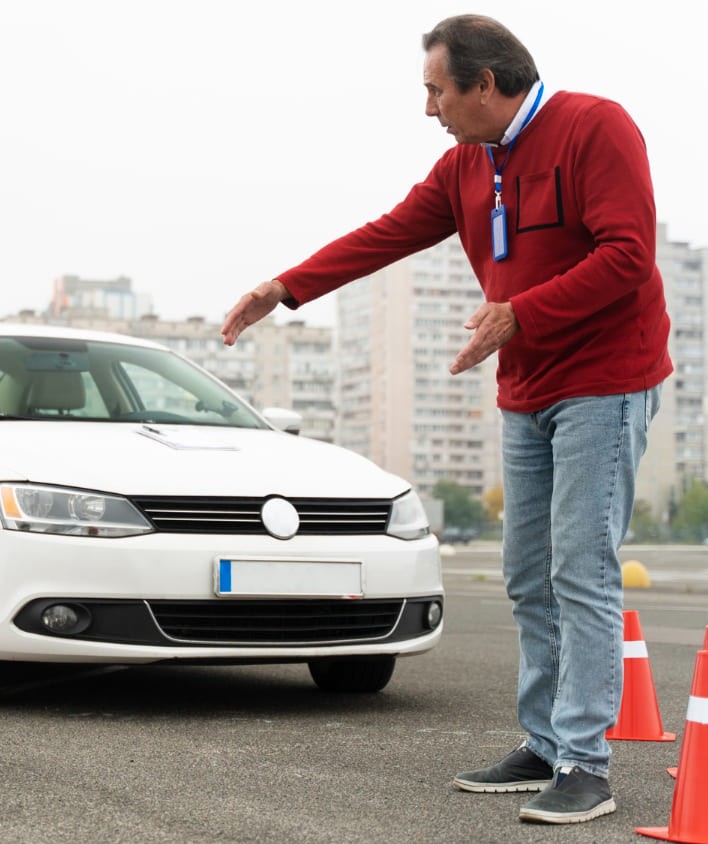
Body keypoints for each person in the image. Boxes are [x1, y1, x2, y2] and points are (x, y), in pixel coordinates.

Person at [220, 15, 670, 825]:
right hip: (527, 388)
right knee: (527, 576)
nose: (429, 109)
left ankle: (585, 764)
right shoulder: (467, 163)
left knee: (582, 571)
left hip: (605, 382)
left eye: (437, 91)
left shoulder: (594, 127)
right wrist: (285, 288)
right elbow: (387, 233)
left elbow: (628, 254)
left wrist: (520, 313)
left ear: (485, 84)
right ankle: (544, 743)